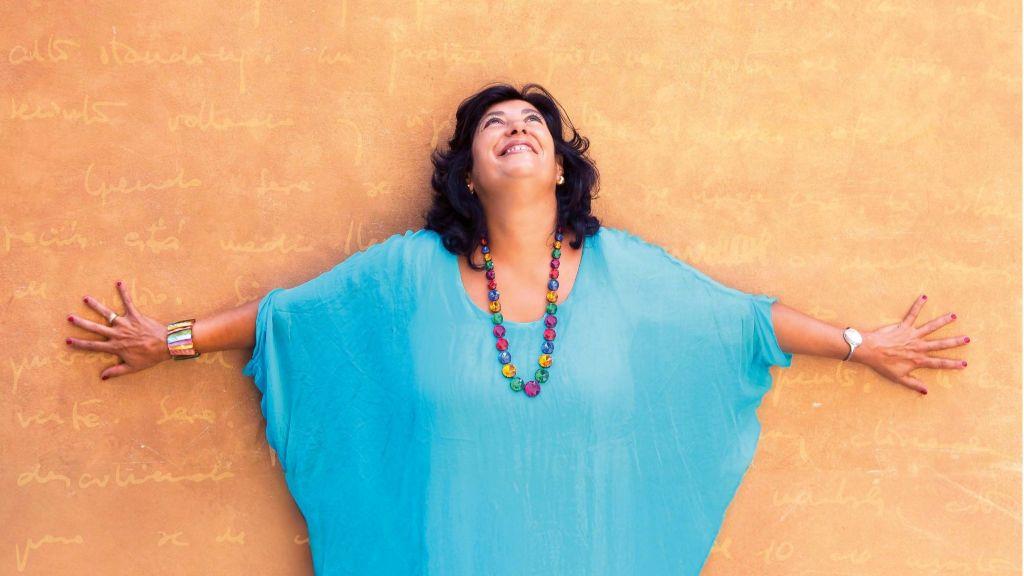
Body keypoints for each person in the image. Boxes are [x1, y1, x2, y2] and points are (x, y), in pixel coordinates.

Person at [64, 82, 970, 575]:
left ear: (561, 165)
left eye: (533, 122)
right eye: (492, 125)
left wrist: (862, 343)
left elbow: (743, 322)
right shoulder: (406, 274)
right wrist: (170, 340)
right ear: (469, 173)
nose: (515, 129)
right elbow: (288, 320)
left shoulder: (626, 272)